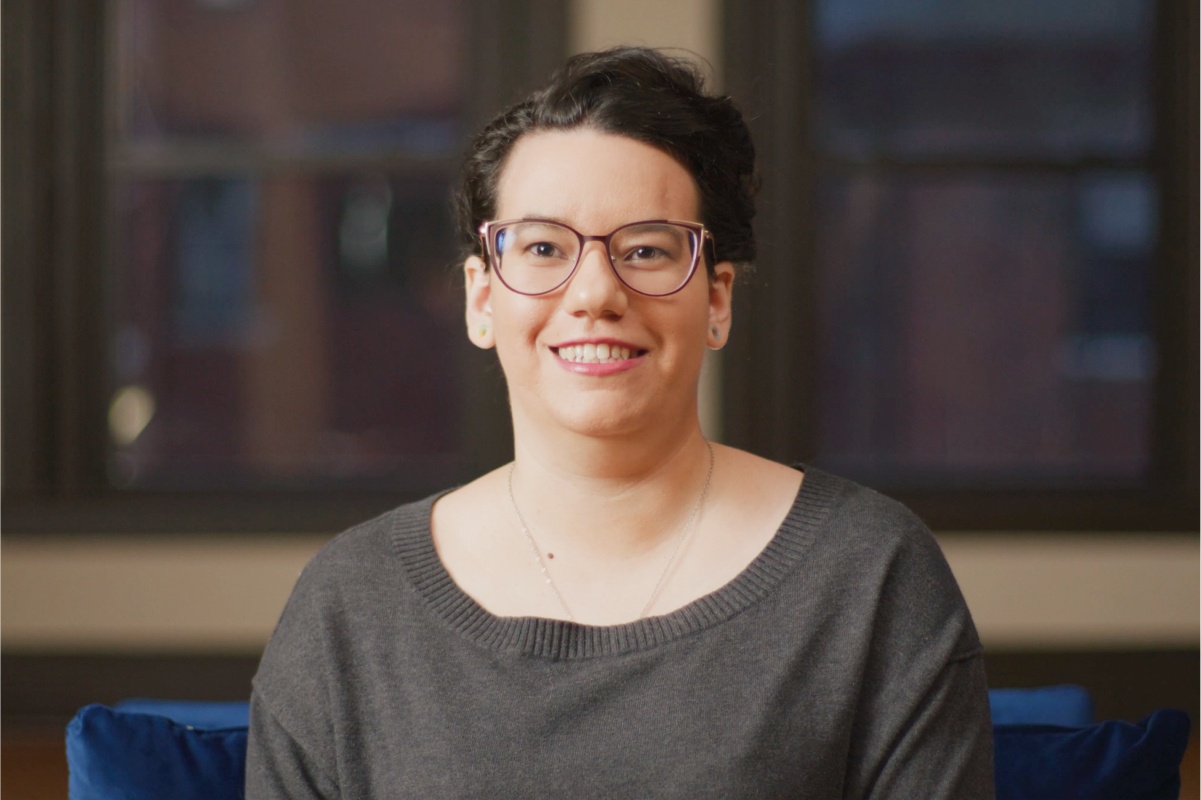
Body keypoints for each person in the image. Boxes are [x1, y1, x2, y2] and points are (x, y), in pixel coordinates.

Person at [246, 46, 994, 799]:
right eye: (542, 248)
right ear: (481, 298)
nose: (595, 293)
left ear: (717, 300)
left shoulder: (868, 576)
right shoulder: (352, 603)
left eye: (645, 250)